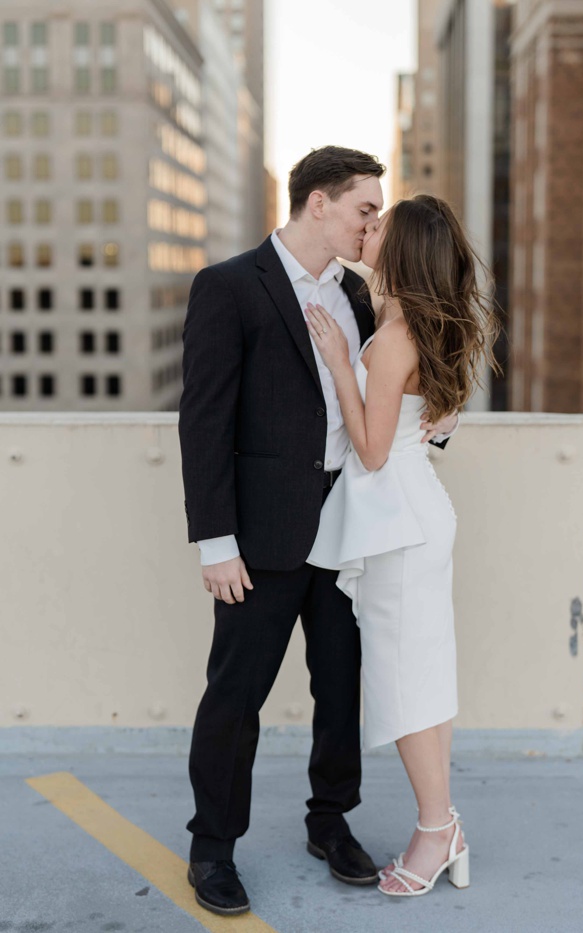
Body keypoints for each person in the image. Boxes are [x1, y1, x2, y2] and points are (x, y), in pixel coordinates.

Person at [179, 147, 459, 916]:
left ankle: (330, 823)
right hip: (261, 538)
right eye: (366, 210)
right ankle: (213, 848)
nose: (374, 225)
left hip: (353, 533)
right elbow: (202, 423)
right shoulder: (229, 287)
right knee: (235, 694)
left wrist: (435, 428)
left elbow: (392, 395)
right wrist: (216, 541)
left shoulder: (362, 300)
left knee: (342, 692)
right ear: (318, 205)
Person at [304, 193, 498, 897]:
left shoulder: (391, 339)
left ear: (404, 248)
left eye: (381, 223)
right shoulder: (410, 322)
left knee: (405, 681)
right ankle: (443, 824)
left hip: (396, 521)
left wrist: (336, 361)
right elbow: (436, 422)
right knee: (425, 674)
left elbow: (373, 450)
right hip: (416, 515)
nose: (369, 227)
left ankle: (435, 827)